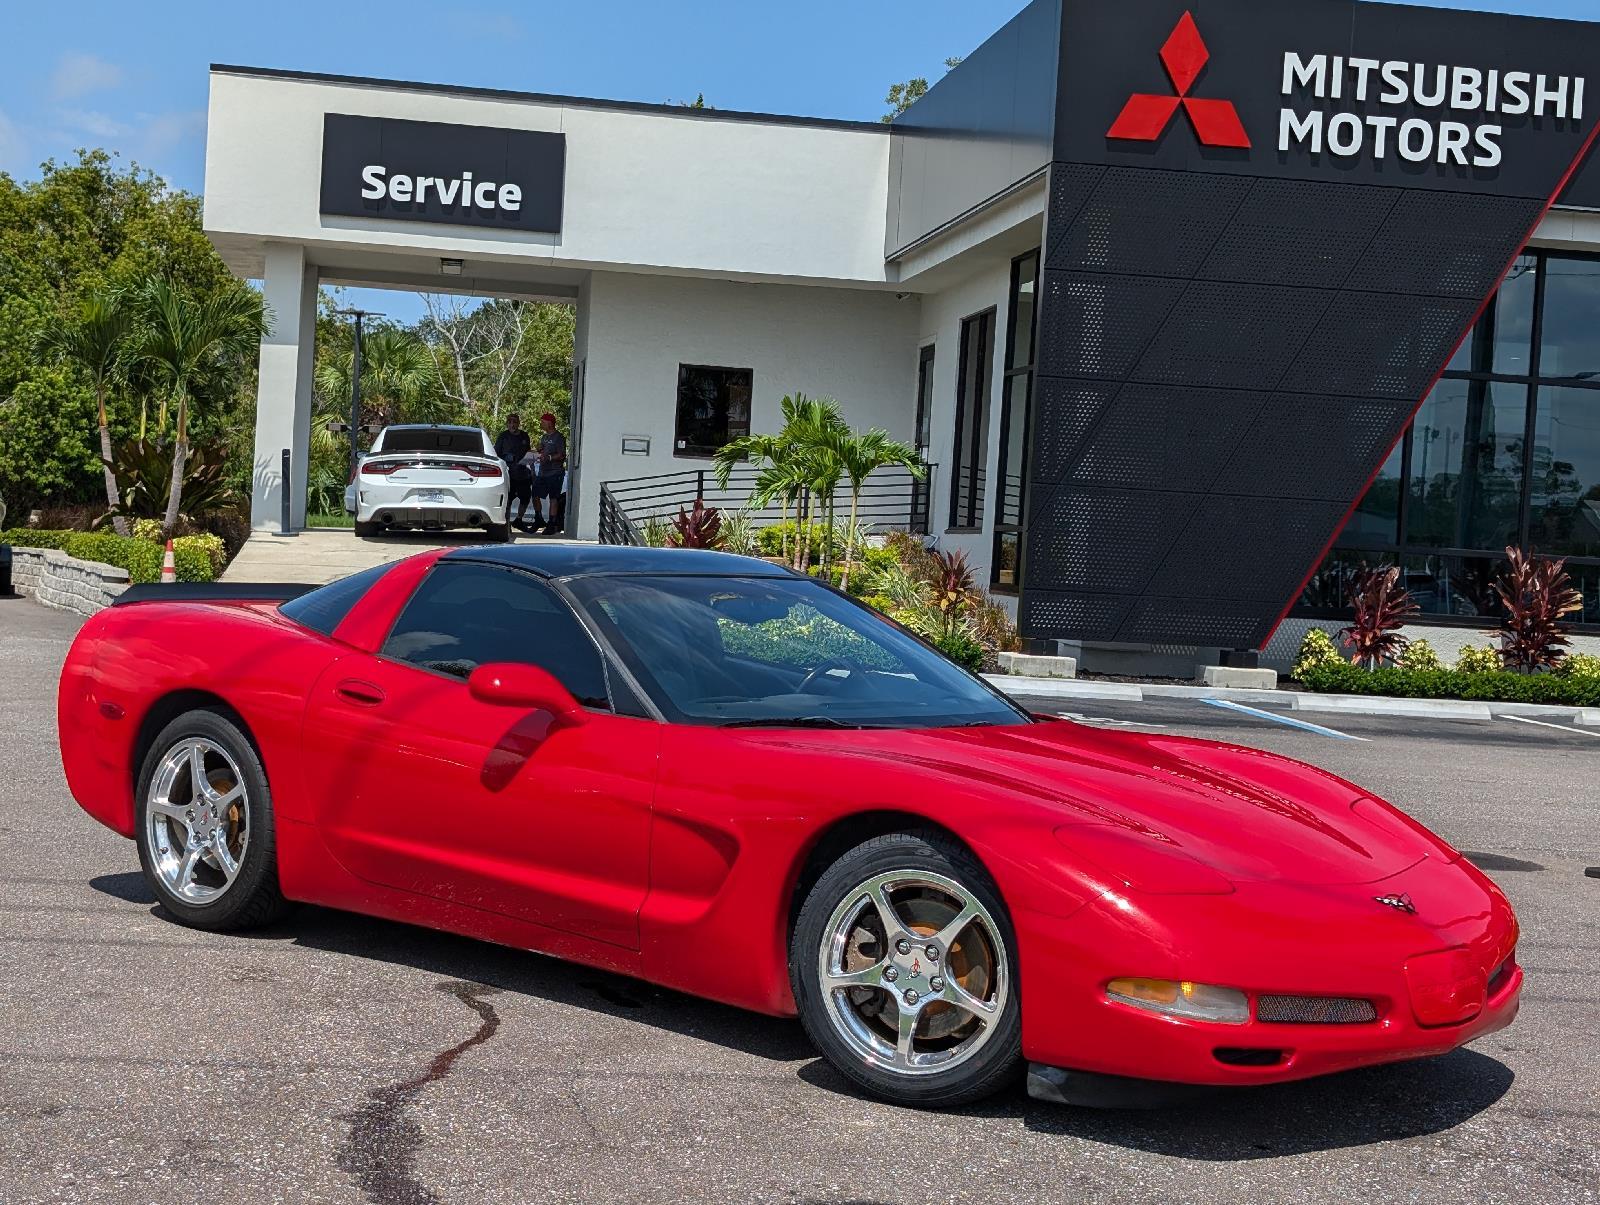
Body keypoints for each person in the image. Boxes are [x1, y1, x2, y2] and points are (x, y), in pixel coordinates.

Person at [530, 412, 567, 535]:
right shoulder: (544, 437)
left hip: (555, 473)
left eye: (543, 421)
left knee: (553, 498)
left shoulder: (559, 437)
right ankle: (538, 518)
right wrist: (537, 451)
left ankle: (551, 524)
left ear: (550, 423)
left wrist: (550, 457)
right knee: (535, 494)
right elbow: (542, 451)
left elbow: (562, 455)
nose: (541, 423)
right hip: (542, 472)